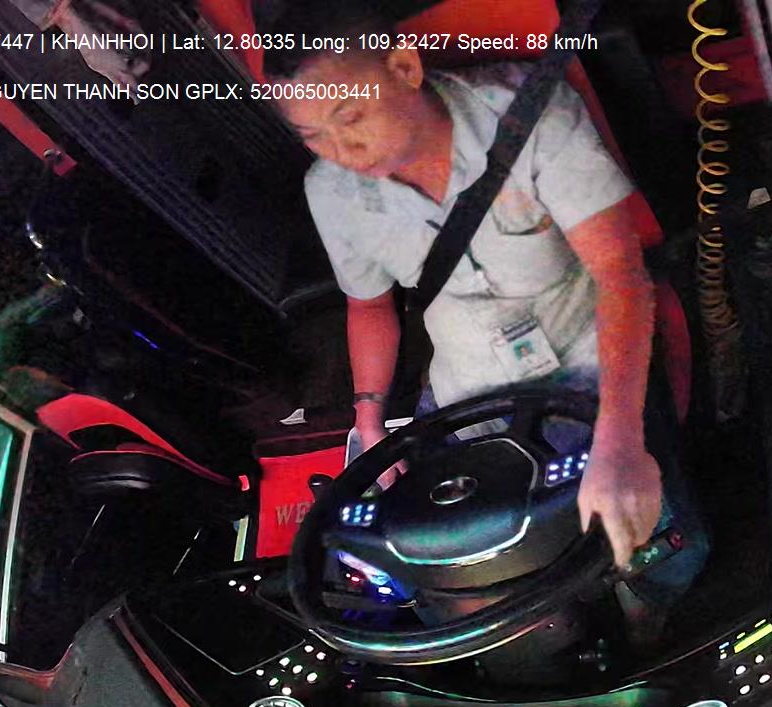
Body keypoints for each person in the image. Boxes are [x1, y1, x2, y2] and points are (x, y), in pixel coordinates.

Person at [263, 5, 709, 641]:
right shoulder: (330, 191)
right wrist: (369, 420)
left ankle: (652, 618)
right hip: (464, 386)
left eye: (351, 117)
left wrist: (619, 442)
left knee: (658, 540)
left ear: (404, 67)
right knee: (433, 559)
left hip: (585, 362)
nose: (342, 152)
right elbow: (370, 306)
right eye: (314, 136)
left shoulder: (532, 119)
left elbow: (621, 276)